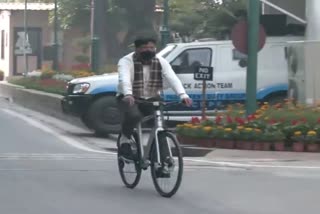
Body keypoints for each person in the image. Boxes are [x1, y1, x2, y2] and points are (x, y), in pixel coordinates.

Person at [116, 37, 192, 165]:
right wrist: (128, 93)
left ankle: (163, 158)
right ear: (137, 49)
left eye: (151, 48)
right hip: (129, 97)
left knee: (159, 124)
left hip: (151, 97)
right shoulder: (126, 61)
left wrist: (183, 95)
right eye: (144, 48)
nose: (148, 50)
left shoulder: (161, 61)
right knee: (134, 116)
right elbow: (124, 79)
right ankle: (125, 140)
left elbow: (172, 77)